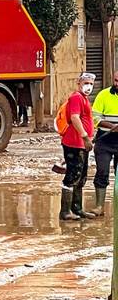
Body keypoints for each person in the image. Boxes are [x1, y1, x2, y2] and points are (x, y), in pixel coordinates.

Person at [60, 71, 98, 222]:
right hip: (75, 143)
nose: (88, 86)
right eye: (86, 83)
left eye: (91, 84)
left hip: (82, 144)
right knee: (72, 176)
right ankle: (65, 211)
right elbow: (75, 118)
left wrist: (89, 137)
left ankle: (77, 208)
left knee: (81, 177)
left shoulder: (84, 98)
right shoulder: (76, 97)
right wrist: (84, 137)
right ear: (79, 83)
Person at [91, 70, 118, 214]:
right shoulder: (103, 95)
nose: (117, 84)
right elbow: (95, 117)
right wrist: (112, 126)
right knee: (102, 172)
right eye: (115, 80)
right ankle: (99, 207)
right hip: (104, 141)